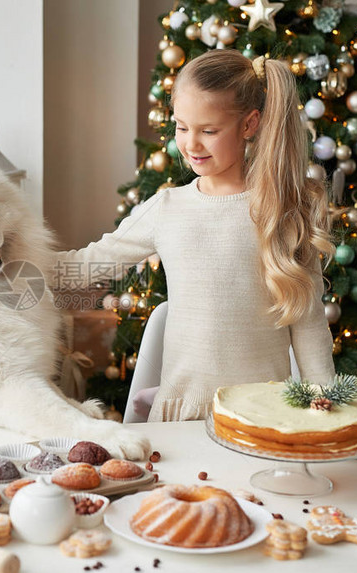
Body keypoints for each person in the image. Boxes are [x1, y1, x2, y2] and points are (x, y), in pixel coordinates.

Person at [53, 50, 336, 422]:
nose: (191, 144)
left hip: (265, 420)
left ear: (249, 124)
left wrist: (328, 410)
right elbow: (86, 266)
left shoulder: (282, 212)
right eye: (182, 127)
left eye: (209, 131)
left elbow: (309, 323)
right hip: (180, 418)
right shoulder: (168, 208)